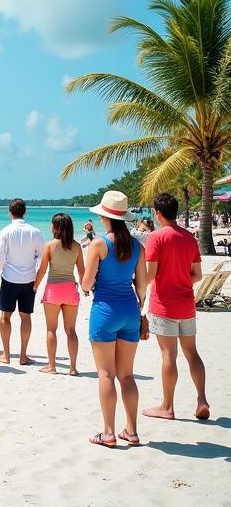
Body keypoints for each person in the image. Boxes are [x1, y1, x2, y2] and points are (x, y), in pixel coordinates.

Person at [82, 191, 148, 447]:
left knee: (106, 374)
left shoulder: (98, 244)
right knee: (127, 375)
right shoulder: (137, 246)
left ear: (104, 217)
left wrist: (87, 285)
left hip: (105, 311)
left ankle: (108, 432)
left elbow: (87, 283)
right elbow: (142, 286)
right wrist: (139, 305)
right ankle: (131, 431)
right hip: (130, 310)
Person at [143, 192, 209, 421]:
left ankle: (167, 406)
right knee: (192, 353)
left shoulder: (155, 238)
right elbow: (197, 275)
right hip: (186, 304)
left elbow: (151, 274)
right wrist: (180, 279)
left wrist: (139, 281)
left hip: (164, 304)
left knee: (168, 355)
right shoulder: (189, 238)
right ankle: (202, 399)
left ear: (158, 213)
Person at [33, 212, 85, 376]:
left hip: (53, 290)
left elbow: (42, 270)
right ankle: (73, 367)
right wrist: (85, 288)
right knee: (71, 330)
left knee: (51, 329)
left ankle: (52, 366)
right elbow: (82, 270)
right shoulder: (76, 246)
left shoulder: (49, 245)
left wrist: (34, 286)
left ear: (55, 227)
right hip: (70, 290)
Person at [0, 198, 43, 365]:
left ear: (10, 212)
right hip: (29, 279)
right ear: (25, 212)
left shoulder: (5, 231)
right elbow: (41, 257)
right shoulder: (35, 232)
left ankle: (6, 355)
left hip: (9, 279)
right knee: (25, 316)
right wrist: (37, 276)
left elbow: (0, 255)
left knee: (5, 316)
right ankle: (23, 355)